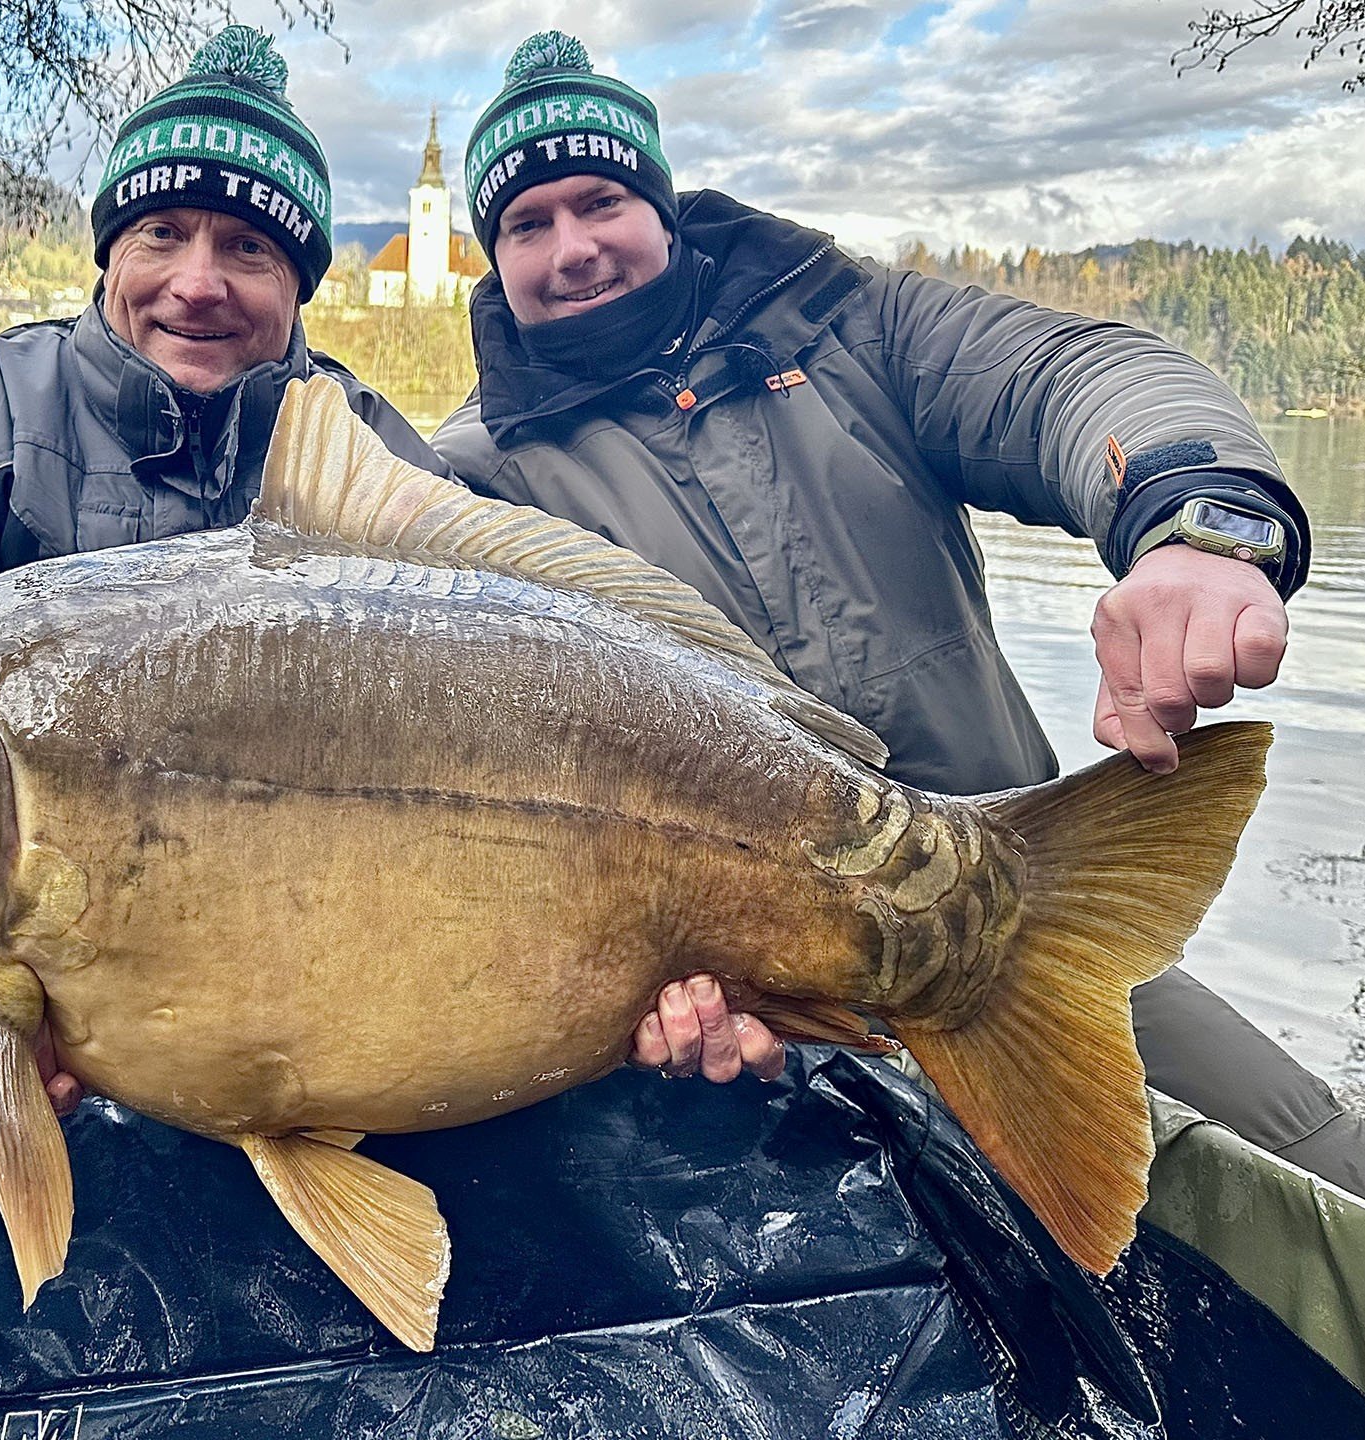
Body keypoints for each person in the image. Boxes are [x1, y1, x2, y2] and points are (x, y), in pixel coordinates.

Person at [433, 30, 1365, 1192]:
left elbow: (1068, 379)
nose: (572, 248)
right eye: (527, 224)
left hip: (1020, 909)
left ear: (662, 210)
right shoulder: (471, 483)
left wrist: (1199, 525)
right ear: (496, 255)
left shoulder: (851, 332)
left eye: (599, 201)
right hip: (749, 1019)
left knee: (1324, 1185)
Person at [0, 25, 455, 1100]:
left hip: (320, 1012)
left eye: (249, 249)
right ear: (111, 254)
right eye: (163, 231)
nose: (199, 282)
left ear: (299, 284)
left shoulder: (376, 460)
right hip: (31, 1012)